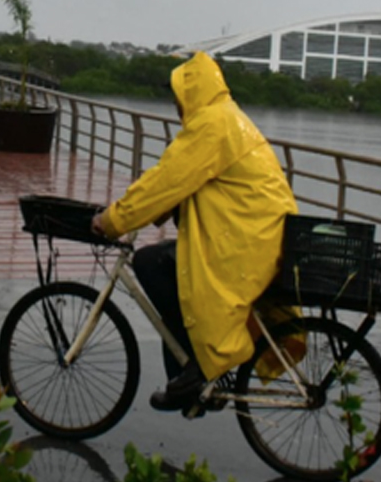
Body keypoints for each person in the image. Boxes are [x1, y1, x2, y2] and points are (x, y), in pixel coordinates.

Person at [91, 52, 297, 412]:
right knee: (162, 263)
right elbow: (193, 181)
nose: (176, 108)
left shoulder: (211, 124)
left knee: (151, 264)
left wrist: (113, 220)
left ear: (193, 93)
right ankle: (195, 372)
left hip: (247, 246)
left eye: (178, 100)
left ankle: (200, 369)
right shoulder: (228, 118)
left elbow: (165, 181)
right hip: (257, 237)